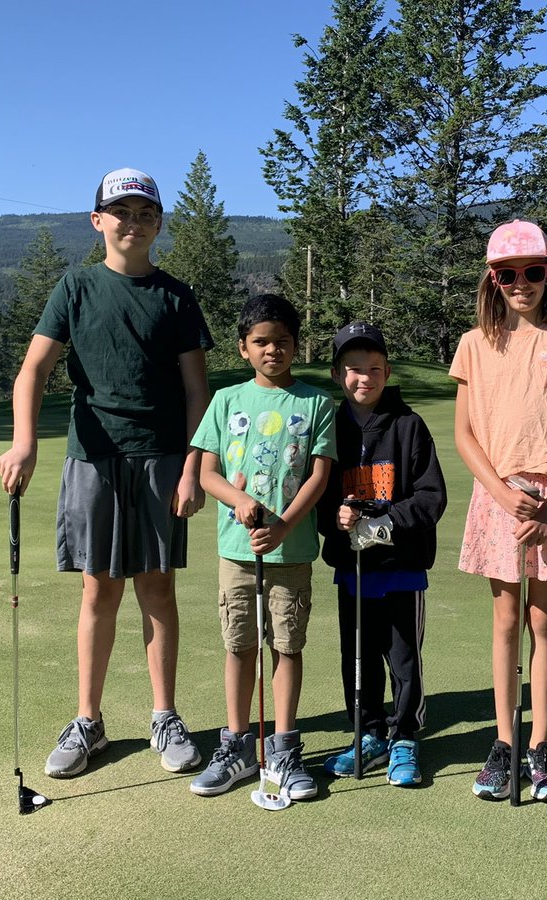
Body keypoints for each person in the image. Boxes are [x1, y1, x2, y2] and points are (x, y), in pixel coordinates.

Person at [0, 167, 213, 778]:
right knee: (99, 590)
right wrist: (24, 444)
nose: (133, 222)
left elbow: (198, 391)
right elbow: (33, 371)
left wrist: (194, 466)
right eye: (121, 212)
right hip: (92, 459)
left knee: (158, 590)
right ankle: (88, 721)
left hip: (162, 459)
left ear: (159, 224)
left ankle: (164, 716)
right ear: (99, 222)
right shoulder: (76, 287)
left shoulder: (176, 296)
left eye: (145, 213)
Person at [450, 220, 547, 803]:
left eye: (533, 272)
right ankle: (504, 742)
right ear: (492, 279)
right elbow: (465, 434)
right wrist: (501, 490)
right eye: (508, 274)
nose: (522, 283)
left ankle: (542, 744)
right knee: (506, 620)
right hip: (499, 497)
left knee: (544, 621)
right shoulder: (473, 344)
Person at [188, 293, 335, 802]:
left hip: (291, 553)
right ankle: (236, 745)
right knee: (239, 645)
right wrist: (239, 498)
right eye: (261, 342)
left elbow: (318, 476)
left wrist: (284, 525)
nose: (273, 350)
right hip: (237, 551)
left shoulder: (316, 402)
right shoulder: (226, 400)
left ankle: (284, 748)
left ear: (296, 345)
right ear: (244, 349)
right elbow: (208, 472)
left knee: (287, 646)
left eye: (283, 341)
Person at [316, 322, 448, 787]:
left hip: (402, 569)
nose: (364, 378)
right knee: (358, 656)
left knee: (403, 657)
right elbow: (319, 496)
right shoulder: (329, 429)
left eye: (374, 369)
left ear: (388, 371)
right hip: (353, 571)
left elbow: (432, 497)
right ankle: (367, 732)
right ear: (337, 374)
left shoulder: (409, 425)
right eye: (353, 369)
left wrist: (388, 522)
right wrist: (336, 518)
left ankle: (405, 735)